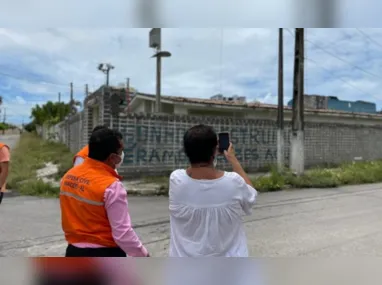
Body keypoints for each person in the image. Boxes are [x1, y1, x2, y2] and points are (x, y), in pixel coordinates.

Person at [169, 124, 258, 257]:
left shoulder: (176, 180)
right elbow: (251, 195)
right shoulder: (233, 182)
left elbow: (191, 172)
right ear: (215, 149)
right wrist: (233, 159)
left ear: (186, 151)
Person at [60, 128, 149, 257]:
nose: (122, 154)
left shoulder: (68, 177)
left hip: (74, 252)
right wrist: (143, 254)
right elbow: (123, 234)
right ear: (113, 157)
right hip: (105, 253)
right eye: (121, 151)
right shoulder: (112, 187)